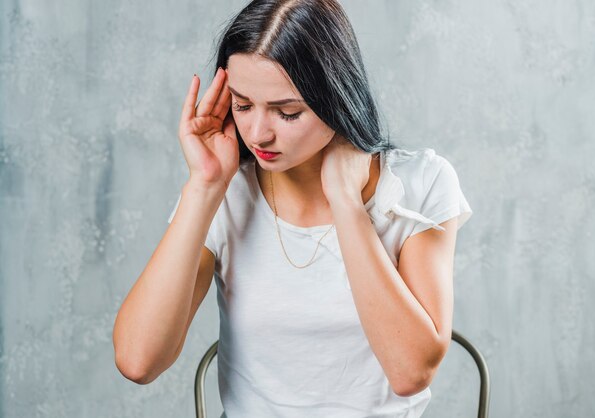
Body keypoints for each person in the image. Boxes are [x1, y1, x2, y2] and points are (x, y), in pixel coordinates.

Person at [113, 0, 473, 416]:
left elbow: (411, 372)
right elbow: (138, 361)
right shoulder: (226, 195)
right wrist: (205, 185)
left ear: (337, 96)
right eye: (242, 105)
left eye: (287, 113)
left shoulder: (420, 183)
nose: (258, 134)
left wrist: (345, 201)